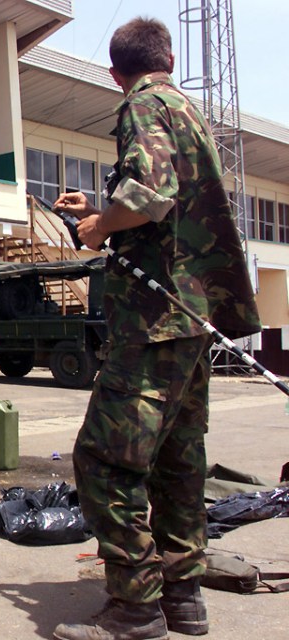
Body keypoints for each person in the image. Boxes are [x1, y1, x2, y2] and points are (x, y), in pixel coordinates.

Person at [51, 18, 260, 640]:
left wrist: (98, 228)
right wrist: (101, 211)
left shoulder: (142, 105)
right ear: (167, 56)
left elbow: (152, 192)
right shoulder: (188, 111)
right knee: (178, 459)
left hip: (157, 318)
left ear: (117, 73)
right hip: (197, 315)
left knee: (105, 461)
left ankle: (136, 608)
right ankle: (183, 597)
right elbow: (168, 206)